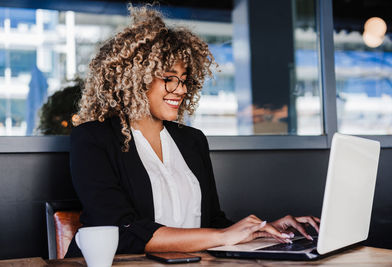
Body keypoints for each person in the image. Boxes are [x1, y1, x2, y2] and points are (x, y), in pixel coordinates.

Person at [65, 6, 320, 257]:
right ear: (136, 77)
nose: (182, 89)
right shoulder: (93, 139)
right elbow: (123, 231)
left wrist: (264, 230)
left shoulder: (192, 140)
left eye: (184, 79)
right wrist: (223, 236)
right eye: (169, 77)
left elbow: (212, 222)